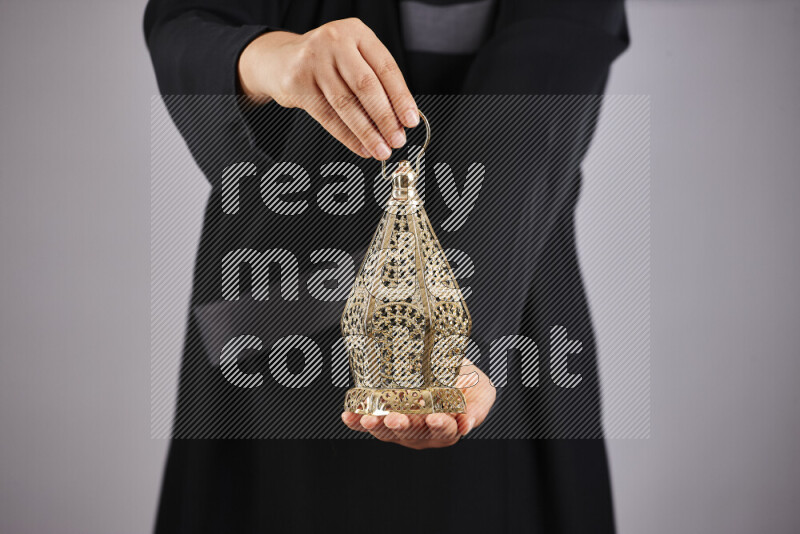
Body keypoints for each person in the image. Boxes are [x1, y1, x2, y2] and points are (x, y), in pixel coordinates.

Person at [144, 0, 629, 532]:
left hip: (509, 282)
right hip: (281, 291)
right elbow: (186, 23)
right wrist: (274, 58)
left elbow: (542, 93)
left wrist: (455, 342)